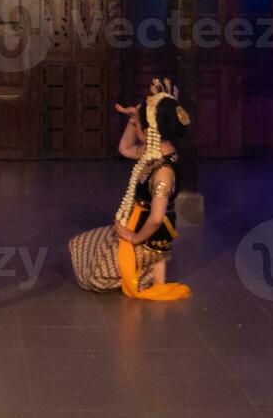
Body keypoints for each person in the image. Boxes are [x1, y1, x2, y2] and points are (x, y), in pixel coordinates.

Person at [68, 78, 192, 301]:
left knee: (95, 276)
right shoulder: (153, 151)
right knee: (80, 244)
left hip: (146, 238)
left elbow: (155, 219)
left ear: (151, 129)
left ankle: (145, 275)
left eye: (139, 125)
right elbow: (124, 148)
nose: (136, 128)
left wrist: (134, 239)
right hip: (134, 223)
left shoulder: (163, 170)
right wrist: (133, 119)